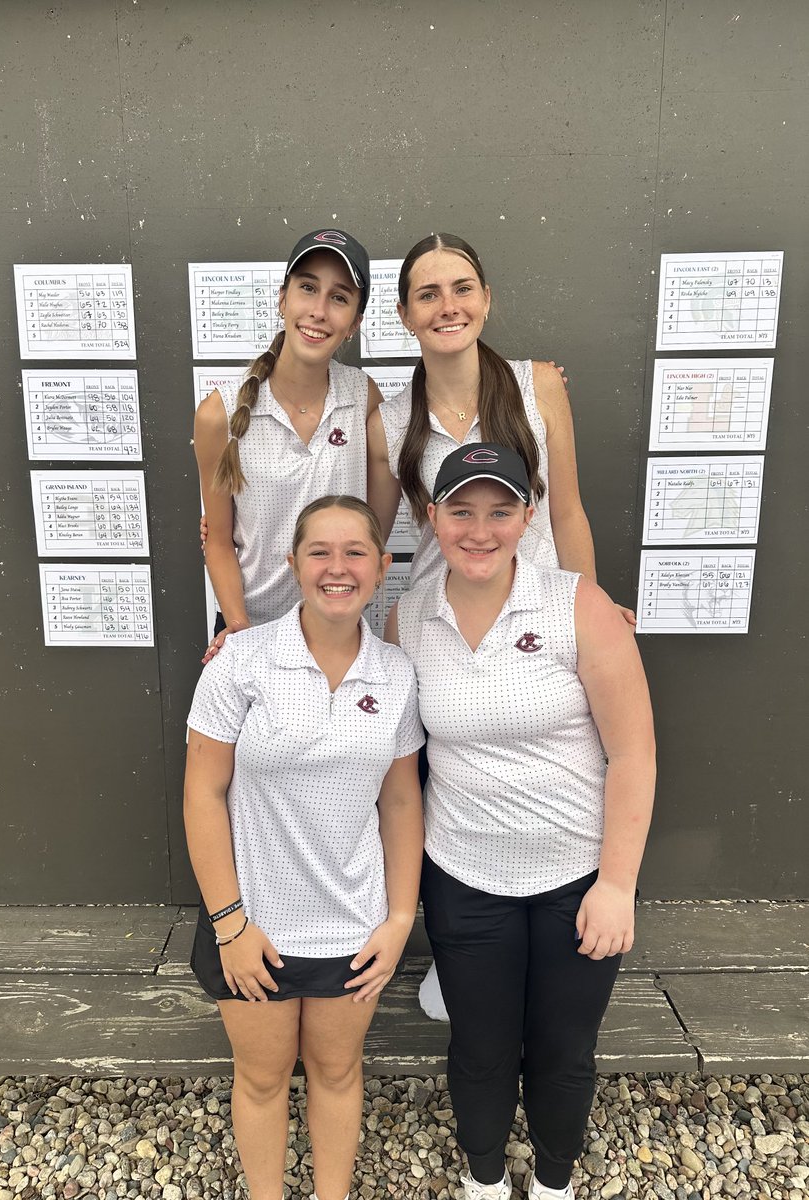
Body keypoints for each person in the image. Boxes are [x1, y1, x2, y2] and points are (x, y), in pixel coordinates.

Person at [365, 231, 635, 1018]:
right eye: (428, 293)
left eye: (463, 287)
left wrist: (592, 603)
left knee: (569, 761)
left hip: (544, 617)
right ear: (406, 313)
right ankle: (460, 950)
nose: (448, 305)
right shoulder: (391, 419)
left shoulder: (537, 384)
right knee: (441, 774)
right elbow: (377, 536)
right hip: (444, 620)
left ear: (485, 298)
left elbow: (569, 507)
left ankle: (566, 933)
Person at [384, 444, 655, 1200]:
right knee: (480, 1048)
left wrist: (617, 884)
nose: (480, 529)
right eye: (461, 511)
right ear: (431, 519)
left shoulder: (579, 605)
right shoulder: (409, 618)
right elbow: (404, 764)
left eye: (500, 511)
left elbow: (634, 755)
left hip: (577, 881)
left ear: (527, 518)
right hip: (464, 879)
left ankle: (556, 1183)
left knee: (565, 1049)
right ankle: (483, 1179)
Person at [185, 495, 425, 1200]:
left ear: (383, 568)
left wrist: (400, 920)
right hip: (252, 924)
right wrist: (230, 925)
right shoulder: (242, 663)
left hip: (352, 924)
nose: (337, 568)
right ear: (292, 564)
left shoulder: (396, 673)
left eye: (356, 553)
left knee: (338, 1073)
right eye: (320, 551)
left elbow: (402, 799)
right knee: (260, 1078)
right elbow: (203, 795)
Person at [195, 228, 380, 656]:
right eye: (308, 288)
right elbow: (218, 541)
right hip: (253, 629)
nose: (318, 310)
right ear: (283, 299)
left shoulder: (363, 397)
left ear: (354, 322)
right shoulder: (218, 414)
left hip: (342, 627)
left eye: (339, 297)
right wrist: (239, 626)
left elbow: (372, 525)